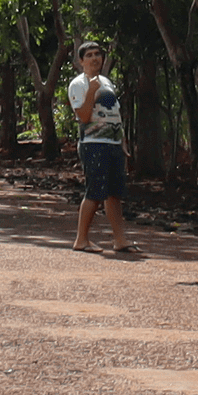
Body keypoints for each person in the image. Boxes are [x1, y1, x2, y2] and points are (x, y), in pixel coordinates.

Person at [67, 38, 131, 253]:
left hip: (112, 143)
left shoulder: (107, 82)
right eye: (89, 55)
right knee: (94, 192)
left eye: (97, 54)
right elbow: (84, 117)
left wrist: (121, 141)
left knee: (114, 193)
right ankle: (81, 240)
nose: (94, 58)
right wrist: (91, 91)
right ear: (80, 61)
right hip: (93, 144)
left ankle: (120, 240)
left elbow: (115, 114)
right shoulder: (78, 84)